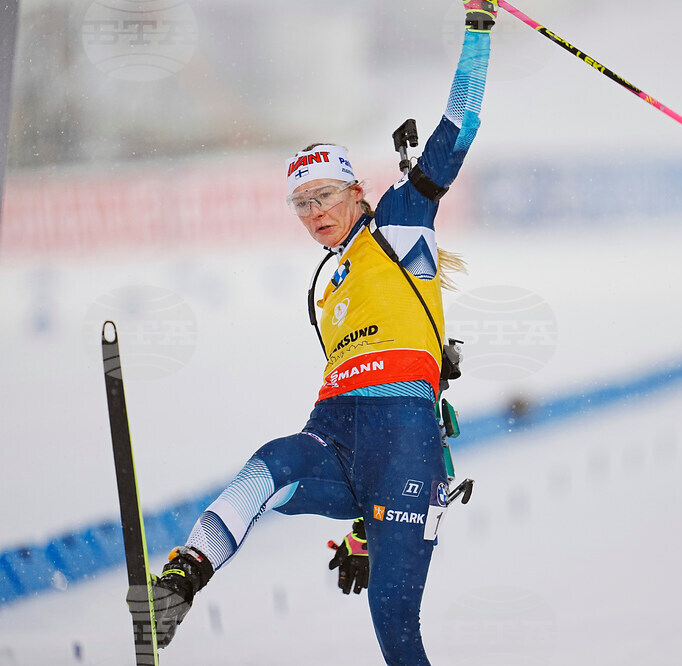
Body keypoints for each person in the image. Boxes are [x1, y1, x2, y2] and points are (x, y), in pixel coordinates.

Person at [141, 3, 497, 663]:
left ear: (356, 191)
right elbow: (333, 399)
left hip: (407, 443)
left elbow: (461, 122)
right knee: (270, 462)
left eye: (325, 196)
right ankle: (183, 578)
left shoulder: (400, 221)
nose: (314, 214)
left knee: (392, 619)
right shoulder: (324, 290)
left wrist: (477, 27)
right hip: (342, 434)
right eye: (301, 204)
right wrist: (359, 514)